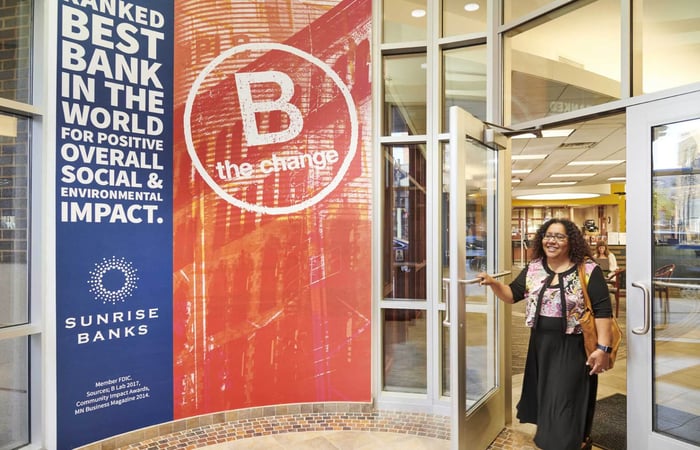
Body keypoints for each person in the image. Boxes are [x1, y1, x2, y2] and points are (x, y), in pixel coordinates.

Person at [478, 218, 614, 450]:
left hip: (573, 345)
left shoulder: (588, 270)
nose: (551, 241)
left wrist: (603, 349)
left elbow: (603, 312)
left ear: (571, 241)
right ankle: (566, 440)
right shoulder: (534, 268)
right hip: (540, 344)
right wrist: (493, 284)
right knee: (547, 395)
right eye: (548, 235)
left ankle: (565, 442)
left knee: (565, 396)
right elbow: (512, 294)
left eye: (559, 236)